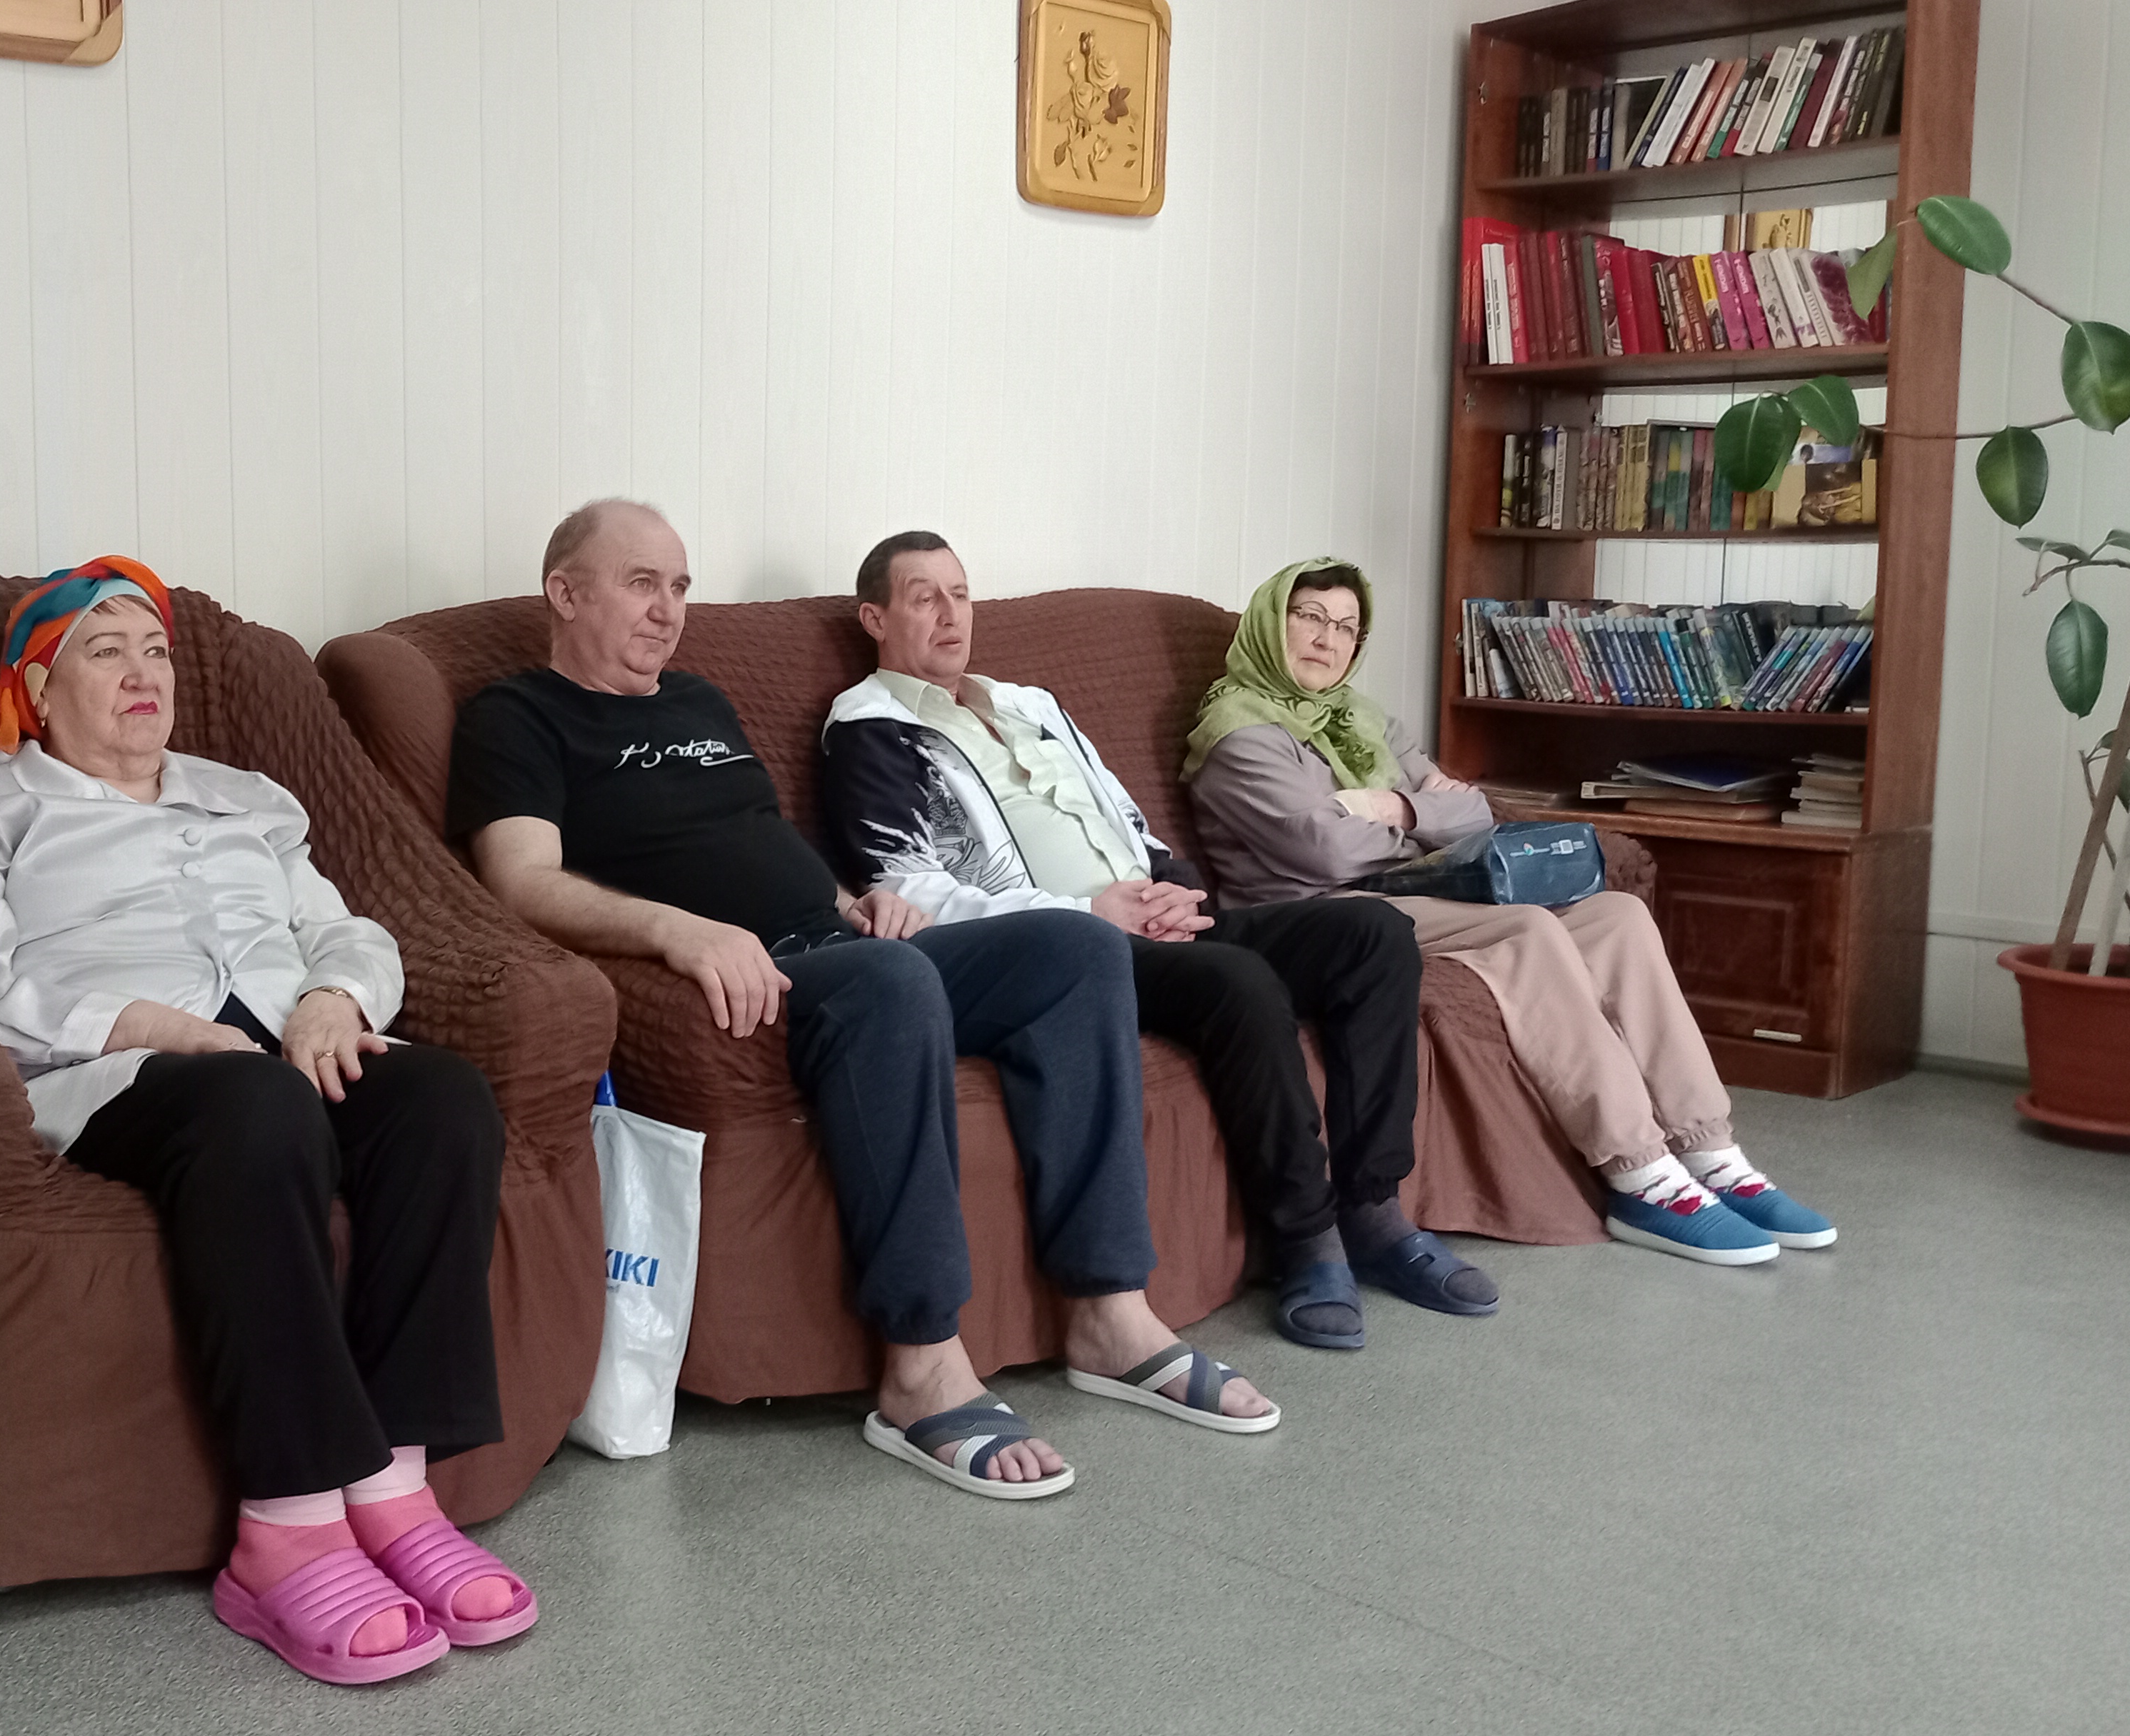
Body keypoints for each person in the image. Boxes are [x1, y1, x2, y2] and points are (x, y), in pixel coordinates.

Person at [448, 499, 1275, 1506]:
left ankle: (1110, 1311)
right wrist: (680, 932)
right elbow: (520, 881)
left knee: (1080, 949)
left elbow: (763, 841)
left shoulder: (700, 700)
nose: (668, 610)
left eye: (680, 587)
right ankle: (920, 1365)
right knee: (896, 981)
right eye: (641, 584)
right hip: (741, 977)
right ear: (565, 593)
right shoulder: (517, 715)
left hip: (840, 943)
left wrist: (856, 900)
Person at [0, 558, 534, 1686]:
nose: (142, 674)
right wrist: (140, 1024)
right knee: (258, 1110)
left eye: (156, 652)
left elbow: (343, 929)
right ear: (36, 690)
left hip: (289, 1043)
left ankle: (393, 1489)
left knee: (443, 1100)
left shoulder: (249, 799)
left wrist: (336, 998)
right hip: (118, 1068)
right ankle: (287, 1524)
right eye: (105, 652)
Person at [822, 532, 1480, 1351]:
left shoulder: (1031, 702)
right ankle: (1306, 1241)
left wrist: (1174, 887)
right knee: (1238, 981)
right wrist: (1091, 911)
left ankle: (1374, 1209)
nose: (952, 615)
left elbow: (1124, 815)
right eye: (925, 598)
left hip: (1155, 916)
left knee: (1374, 934)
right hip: (1066, 952)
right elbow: (910, 888)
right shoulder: (868, 726)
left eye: (960, 594)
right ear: (875, 619)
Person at [1181, 558, 1836, 1265]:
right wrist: (1421, 819)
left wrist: (1388, 805)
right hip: (1326, 914)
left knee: (1616, 915)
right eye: (1309, 617)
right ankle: (1639, 1173)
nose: (1327, 639)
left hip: (1413, 887)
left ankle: (1711, 1151)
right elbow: (1326, 852)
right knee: (1528, 930)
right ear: (1269, 624)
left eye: (1346, 626)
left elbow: (1471, 810)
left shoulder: (1362, 719)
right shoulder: (1238, 734)